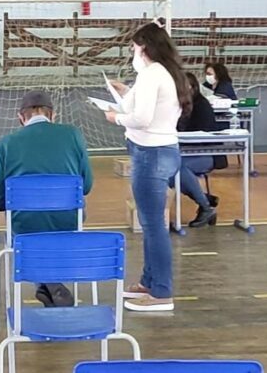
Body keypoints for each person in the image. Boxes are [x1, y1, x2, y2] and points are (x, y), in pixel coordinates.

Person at [105, 18, 191, 312]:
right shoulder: (166, 73)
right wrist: (125, 92)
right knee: (150, 222)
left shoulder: (152, 74)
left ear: (144, 47)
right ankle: (149, 281)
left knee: (154, 226)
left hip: (151, 154)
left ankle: (162, 292)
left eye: (133, 47)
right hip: (162, 151)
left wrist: (115, 118)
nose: (132, 53)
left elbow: (141, 119)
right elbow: (148, 108)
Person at [0, 90, 93, 308]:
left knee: (24, 230)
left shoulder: (6, 143)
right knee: (61, 220)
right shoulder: (73, 135)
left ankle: (46, 283)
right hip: (67, 221)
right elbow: (87, 185)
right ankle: (51, 283)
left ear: (20, 117)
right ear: (53, 115)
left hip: (25, 225)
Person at [171, 73, 222, 228]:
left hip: (207, 154)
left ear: (192, 88)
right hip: (186, 153)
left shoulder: (201, 106)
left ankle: (206, 207)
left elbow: (203, 135)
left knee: (177, 169)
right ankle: (206, 201)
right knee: (168, 171)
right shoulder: (179, 106)